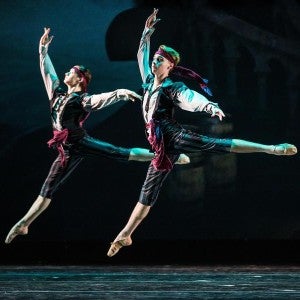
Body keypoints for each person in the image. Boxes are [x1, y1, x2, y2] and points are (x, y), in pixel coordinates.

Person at [107, 8, 297, 257]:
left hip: (173, 136)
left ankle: (271, 148)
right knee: (146, 194)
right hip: (160, 146)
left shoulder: (173, 87)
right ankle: (126, 235)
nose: (154, 62)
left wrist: (209, 106)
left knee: (218, 144)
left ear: (170, 65)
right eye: (154, 59)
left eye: (159, 60)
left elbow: (190, 98)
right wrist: (147, 31)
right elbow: (140, 54)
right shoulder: (147, 83)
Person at [4, 27, 190, 244]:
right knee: (48, 187)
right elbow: (48, 73)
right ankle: (24, 223)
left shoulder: (81, 99)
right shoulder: (57, 94)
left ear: (80, 79)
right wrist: (42, 49)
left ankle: (162, 156)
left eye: (71, 72)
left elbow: (100, 99)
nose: (66, 73)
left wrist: (120, 93)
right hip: (65, 150)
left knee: (117, 152)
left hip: (78, 142)